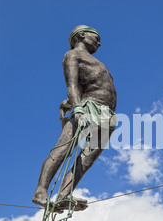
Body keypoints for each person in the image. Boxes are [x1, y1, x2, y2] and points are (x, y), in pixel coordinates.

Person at [32, 25, 117, 211]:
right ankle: (41, 191)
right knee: (63, 149)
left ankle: (64, 195)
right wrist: (77, 108)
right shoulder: (72, 55)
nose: (99, 43)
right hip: (87, 107)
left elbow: (83, 86)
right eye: (96, 38)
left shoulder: (95, 61)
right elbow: (71, 84)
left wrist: (70, 102)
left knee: (87, 158)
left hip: (106, 115)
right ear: (81, 35)